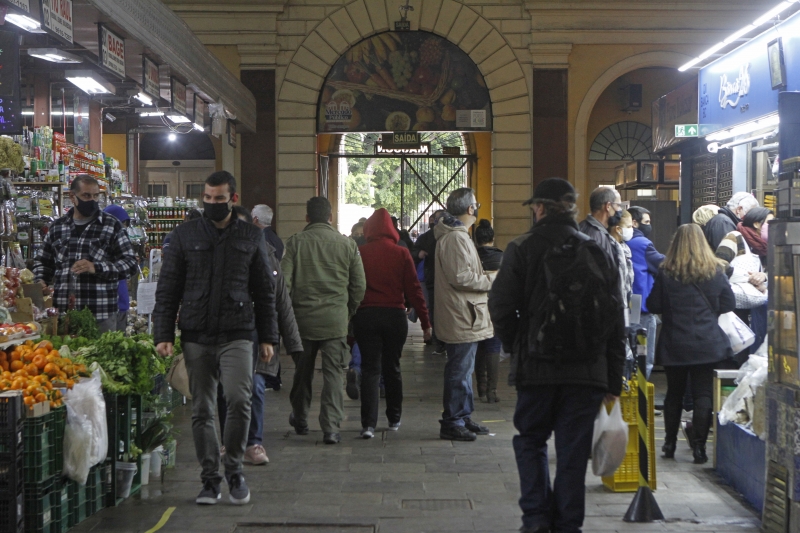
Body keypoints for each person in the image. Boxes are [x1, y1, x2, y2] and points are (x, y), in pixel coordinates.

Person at [488, 178, 625, 533]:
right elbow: (616, 317)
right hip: (587, 371)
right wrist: (613, 378)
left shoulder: (522, 248)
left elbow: (501, 306)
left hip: (537, 367)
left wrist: (518, 344)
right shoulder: (601, 247)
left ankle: (535, 518)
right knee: (573, 453)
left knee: (530, 441)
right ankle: (568, 525)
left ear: (540, 208)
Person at [153, 171, 278, 506]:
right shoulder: (184, 235)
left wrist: (268, 337)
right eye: (207, 199)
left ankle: (234, 468)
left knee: (239, 399)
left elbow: (265, 292)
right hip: (196, 334)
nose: (211, 204)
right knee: (202, 409)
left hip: (238, 332)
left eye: (218, 199)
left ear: (232, 199)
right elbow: (168, 289)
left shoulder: (251, 237)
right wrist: (163, 333)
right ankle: (210, 479)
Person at [647, 224, 735, 464]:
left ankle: (669, 444)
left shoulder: (667, 272)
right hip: (707, 343)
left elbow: (653, 305)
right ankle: (699, 448)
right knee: (703, 394)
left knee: (674, 394)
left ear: (675, 244)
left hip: (675, 343)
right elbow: (729, 303)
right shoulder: (715, 270)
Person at [282, 197, 366, 445]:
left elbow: (283, 284)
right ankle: (331, 427)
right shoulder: (347, 245)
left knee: (302, 372)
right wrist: (347, 311)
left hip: (302, 321)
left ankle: (300, 418)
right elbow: (359, 286)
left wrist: (285, 318)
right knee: (333, 375)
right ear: (330, 217)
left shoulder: (296, 243)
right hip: (335, 321)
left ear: (307, 218)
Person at [355, 208, 431, 438]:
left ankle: (368, 424)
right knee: (393, 368)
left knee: (370, 370)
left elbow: (353, 286)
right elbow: (414, 289)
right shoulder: (401, 254)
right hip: (395, 317)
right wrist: (426, 323)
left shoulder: (360, 253)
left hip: (366, 316)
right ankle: (394, 418)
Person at [34, 175, 138, 332]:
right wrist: (40, 280)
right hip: (63, 316)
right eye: (86, 196)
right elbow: (43, 261)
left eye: (96, 196)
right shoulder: (57, 227)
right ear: (72, 197)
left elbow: (130, 264)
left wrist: (97, 267)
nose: (92, 201)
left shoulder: (111, 226)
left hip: (101, 316)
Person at [434, 188, 495, 442]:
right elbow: (461, 277)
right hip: (462, 314)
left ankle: (462, 415)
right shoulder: (456, 238)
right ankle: (453, 420)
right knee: (460, 370)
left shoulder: (459, 235)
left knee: (465, 369)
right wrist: (492, 278)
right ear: (471, 209)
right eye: (476, 204)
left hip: (465, 313)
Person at [627, 206, 665, 379]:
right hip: (642, 304)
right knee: (644, 355)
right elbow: (663, 265)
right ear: (634, 223)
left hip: (630, 303)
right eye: (646, 222)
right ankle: (640, 399)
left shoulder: (620, 242)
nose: (649, 226)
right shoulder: (642, 244)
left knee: (631, 350)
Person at [473, 219, 504, 403]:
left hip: (475, 306)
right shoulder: (502, 258)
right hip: (496, 308)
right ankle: (492, 391)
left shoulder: (472, 257)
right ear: (492, 238)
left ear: (476, 240)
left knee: (479, 348)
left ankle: (481, 387)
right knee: (493, 347)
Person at [412, 210, 447, 354]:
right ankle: (439, 339)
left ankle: (440, 339)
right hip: (435, 278)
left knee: (434, 309)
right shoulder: (428, 237)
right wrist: (418, 254)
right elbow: (413, 252)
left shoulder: (446, 236)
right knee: (434, 309)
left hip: (435, 278)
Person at [102, 204, 133, 332]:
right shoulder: (106, 243)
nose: (124, 227)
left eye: (126, 224)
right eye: (122, 223)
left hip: (120, 302)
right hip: (109, 304)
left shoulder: (119, 241)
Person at [579, 187, 621, 266]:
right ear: (608, 206)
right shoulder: (597, 237)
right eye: (618, 205)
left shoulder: (581, 226)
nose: (619, 210)